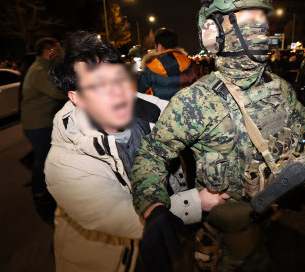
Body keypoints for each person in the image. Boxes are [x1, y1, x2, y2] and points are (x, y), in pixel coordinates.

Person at [131, 0, 305, 271]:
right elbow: (151, 155)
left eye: (263, 19)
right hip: (224, 234)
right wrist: (154, 207)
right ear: (214, 32)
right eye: (247, 19)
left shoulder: (276, 85)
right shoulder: (196, 101)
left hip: (267, 216)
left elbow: (302, 119)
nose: (261, 30)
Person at [45, 31, 201, 272]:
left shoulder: (157, 111)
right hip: (111, 260)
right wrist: (200, 202)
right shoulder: (63, 162)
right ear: (76, 97)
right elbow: (125, 217)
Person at [21, 37, 67, 203]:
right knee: (44, 157)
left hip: (41, 120)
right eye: (57, 49)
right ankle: (39, 190)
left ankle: (44, 186)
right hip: (38, 123)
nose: (60, 53)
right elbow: (56, 92)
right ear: (49, 52)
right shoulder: (40, 70)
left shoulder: (44, 67)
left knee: (46, 155)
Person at [137, 28, 198, 100]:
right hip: (186, 109)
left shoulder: (149, 70)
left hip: (159, 110)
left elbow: (141, 96)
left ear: (159, 46)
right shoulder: (190, 65)